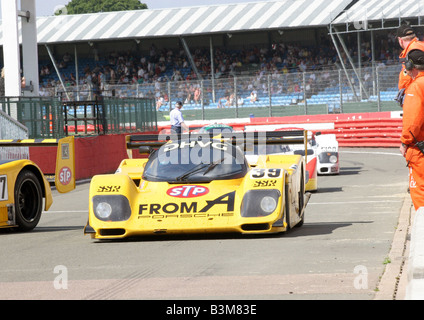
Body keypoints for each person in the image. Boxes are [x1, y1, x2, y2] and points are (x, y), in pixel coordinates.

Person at [399, 49, 424, 210]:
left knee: (420, 191)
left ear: (410, 65)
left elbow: (412, 122)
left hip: (419, 149)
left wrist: (404, 143)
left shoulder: (415, 87)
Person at [397, 25, 424, 91]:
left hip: (415, 90)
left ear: (400, 40)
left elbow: (408, 77)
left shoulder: (411, 52)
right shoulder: (420, 46)